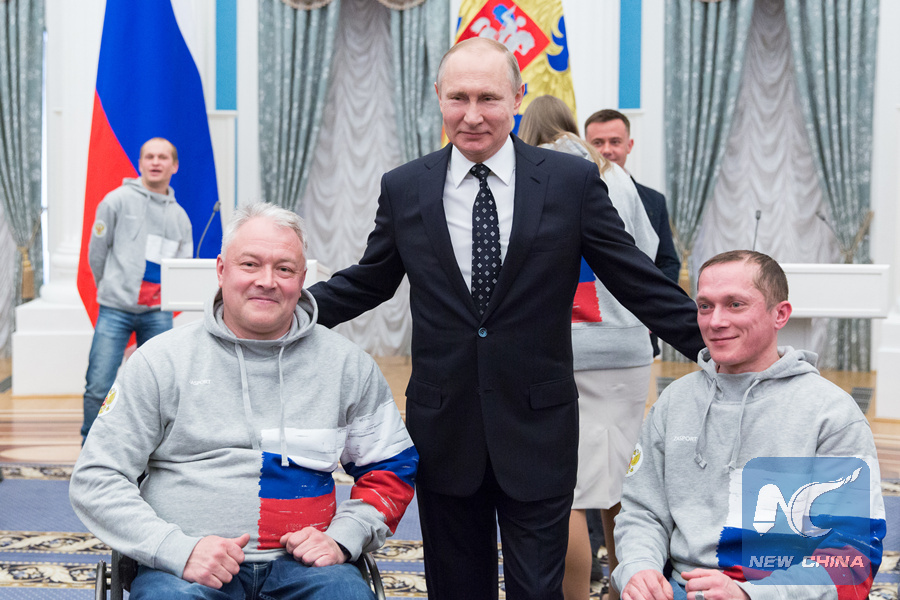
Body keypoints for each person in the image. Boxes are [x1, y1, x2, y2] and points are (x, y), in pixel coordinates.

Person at [308, 38, 704, 600]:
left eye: (488, 98)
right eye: (459, 98)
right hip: (445, 430)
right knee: (456, 590)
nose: (472, 115)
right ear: (438, 97)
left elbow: (634, 277)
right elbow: (370, 279)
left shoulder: (569, 182)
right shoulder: (405, 186)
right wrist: (289, 313)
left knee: (537, 592)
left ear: (518, 98)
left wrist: (714, 341)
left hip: (539, 428)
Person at [70, 202, 418, 599]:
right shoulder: (159, 361)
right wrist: (176, 549)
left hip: (310, 568)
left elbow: (391, 466)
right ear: (221, 270)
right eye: (250, 264)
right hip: (184, 567)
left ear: (302, 279)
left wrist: (344, 537)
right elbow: (97, 478)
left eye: (284, 269)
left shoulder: (347, 365)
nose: (267, 281)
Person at [613, 250, 886, 600]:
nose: (715, 321)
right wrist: (640, 569)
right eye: (705, 306)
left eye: (735, 304)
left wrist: (749, 594)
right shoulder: (673, 402)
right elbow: (642, 512)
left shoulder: (830, 413)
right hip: (679, 590)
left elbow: (852, 554)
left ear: (780, 314)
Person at [519, 95, 657, 600]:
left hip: (561, 347)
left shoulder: (532, 177)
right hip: (626, 348)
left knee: (568, 494)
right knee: (622, 488)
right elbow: (646, 255)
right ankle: (627, 591)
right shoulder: (614, 175)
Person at [81, 137, 193, 441]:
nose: (155, 162)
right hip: (114, 309)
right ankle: (90, 447)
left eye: (162, 157)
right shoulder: (116, 200)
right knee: (98, 385)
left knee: (161, 387)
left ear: (174, 166)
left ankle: (150, 449)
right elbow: (97, 253)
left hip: (157, 315)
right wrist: (112, 288)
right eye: (149, 156)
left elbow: (182, 269)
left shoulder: (181, 218)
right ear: (140, 163)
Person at [584, 110, 680, 356]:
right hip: (585, 330)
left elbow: (667, 262)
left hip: (643, 330)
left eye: (615, 142)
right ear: (586, 146)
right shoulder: (570, 197)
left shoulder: (654, 200)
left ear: (629, 145)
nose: (607, 150)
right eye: (598, 142)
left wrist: (654, 313)